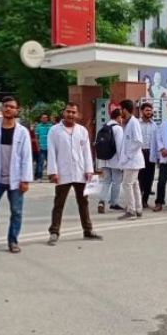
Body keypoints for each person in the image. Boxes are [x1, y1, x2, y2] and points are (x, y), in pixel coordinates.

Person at [0, 96, 33, 254]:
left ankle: (13, 241)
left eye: (12, 107)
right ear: (2, 109)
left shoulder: (22, 132)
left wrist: (25, 179)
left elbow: (26, 157)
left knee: (16, 212)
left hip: (15, 180)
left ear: (17, 110)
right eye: (6, 106)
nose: (8, 109)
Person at [46, 102, 103, 244]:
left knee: (83, 202)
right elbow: (51, 152)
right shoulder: (54, 131)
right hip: (62, 172)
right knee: (59, 203)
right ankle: (54, 232)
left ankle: (88, 230)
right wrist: (53, 172)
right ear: (64, 112)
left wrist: (89, 170)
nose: (70, 114)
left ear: (77, 114)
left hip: (80, 172)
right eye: (68, 111)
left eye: (73, 112)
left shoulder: (82, 131)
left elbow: (87, 152)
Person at [117, 99, 146, 220]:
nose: (120, 112)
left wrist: (128, 155)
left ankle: (131, 210)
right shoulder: (127, 123)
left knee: (127, 184)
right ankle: (138, 209)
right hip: (131, 160)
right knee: (134, 184)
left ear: (125, 109)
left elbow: (138, 141)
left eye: (121, 109)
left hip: (132, 160)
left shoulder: (134, 123)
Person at [97, 108, 124, 213]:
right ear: (118, 117)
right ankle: (114, 203)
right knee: (116, 181)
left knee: (106, 181)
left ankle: (101, 201)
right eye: (121, 117)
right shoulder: (118, 128)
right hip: (115, 159)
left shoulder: (104, 127)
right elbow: (120, 147)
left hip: (103, 159)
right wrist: (122, 163)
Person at [139, 102, 158, 208]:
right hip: (140, 153)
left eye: (150, 110)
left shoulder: (154, 125)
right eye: (147, 110)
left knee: (149, 178)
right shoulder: (137, 123)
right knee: (140, 178)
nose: (149, 112)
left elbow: (157, 141)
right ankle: (138, 200)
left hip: (151, 153)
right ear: (142, 111)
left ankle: (145, 200)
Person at [34, 113, 52, 180]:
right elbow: (36, 138)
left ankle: (50, 177)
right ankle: (39, 177)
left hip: (49, 148)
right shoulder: (38, 127)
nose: (45, 119)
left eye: (46, 117)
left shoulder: (50, 126)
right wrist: (38, 147)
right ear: (41, 119)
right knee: (40, 163)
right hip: (41, 148)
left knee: (50, 163)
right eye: (43, 118)